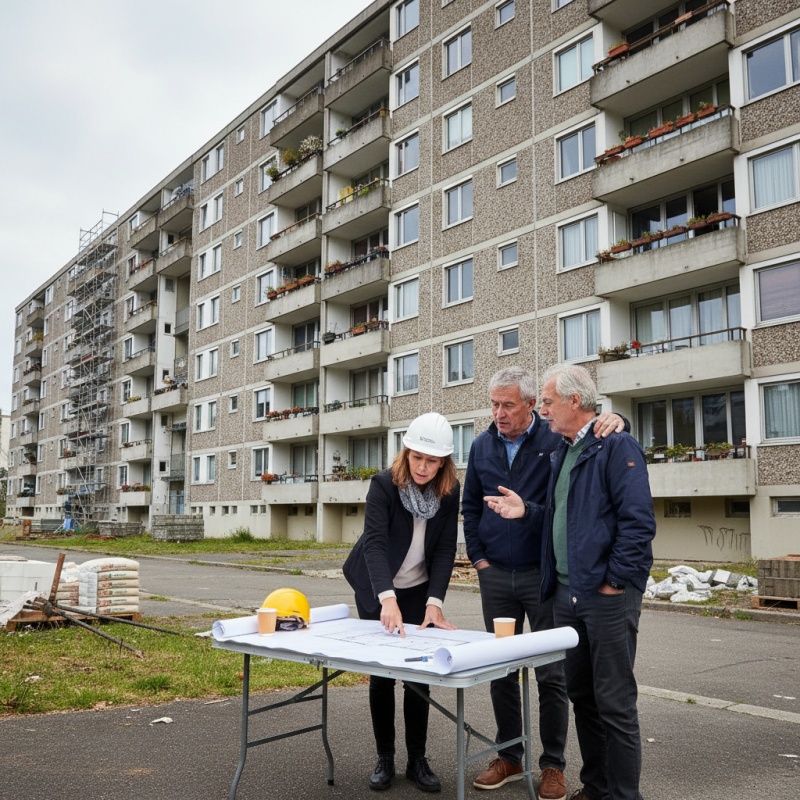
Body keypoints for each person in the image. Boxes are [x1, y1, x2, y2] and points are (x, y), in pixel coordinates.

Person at [485, 364, 655, 800]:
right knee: (583, 696)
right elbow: (566, 518)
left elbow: (638, 525)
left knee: (614, 703)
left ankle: (622, 794)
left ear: (574, 402)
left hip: (605, 596)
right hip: (566, 594)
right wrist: (529, 511)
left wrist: (614, 582)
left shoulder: (616, 445)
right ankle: (595, 788)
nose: (542, 409)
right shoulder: (565, 452)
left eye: (546, 401)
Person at [343, 412, 460, 793]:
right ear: (406, 453)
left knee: (417, 674)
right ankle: (385, 758)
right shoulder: (383, 485)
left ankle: (416, 760)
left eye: (432, 460)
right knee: (383, 672)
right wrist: (386, 599)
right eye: (417, 458)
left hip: (417, 588)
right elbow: (375, 543)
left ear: (443, 462)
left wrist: (435, 602)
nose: (423, 467)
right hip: (376, 586)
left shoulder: (449, 491)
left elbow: (444, 550)